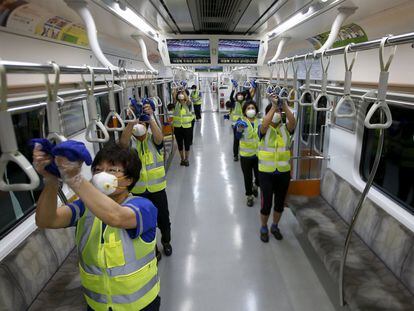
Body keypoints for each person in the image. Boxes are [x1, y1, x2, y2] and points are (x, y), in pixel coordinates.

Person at [33, 142, 161, 311]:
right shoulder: (83, 207)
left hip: (140, 305)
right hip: (96, 306)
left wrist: (74, 179)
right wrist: (50, 180)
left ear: (129, 179)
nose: (102, 175)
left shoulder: (144, 207)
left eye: (112, 170)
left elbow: (117, 216)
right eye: (98, 170)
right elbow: (46, 220)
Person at [120, 103, 172, 258]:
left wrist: (149, 119)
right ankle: (153, 248)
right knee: (145, 221)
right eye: (138, 123)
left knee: (163, 218)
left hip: (157, 189)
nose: (139, 126)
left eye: (142, 124)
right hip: (138, 191)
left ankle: (166, 241)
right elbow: (122, 143)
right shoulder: (130, 144)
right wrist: (132, 122)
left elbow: (160, 137)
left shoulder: (152, 140)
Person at [258, 96, 296, 243]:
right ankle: (263, 227)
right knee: (266, 203)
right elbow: (264, 124)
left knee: (279, 203)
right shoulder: (263, 130)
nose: (276, 114)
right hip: (266, 173)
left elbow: (293, 122)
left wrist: (284, 106)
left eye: (278, 113)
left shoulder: (286, 130)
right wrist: (273, 106)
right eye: (273, 112)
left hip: (283, 172)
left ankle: (274, 226)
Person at [235, 101, 260, 207]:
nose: (251, 110)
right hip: (245, 156)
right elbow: (237, 137)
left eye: (252, 108)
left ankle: (256, 185)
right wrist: (239, 129)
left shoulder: (260, 122)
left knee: (259, 176)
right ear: (245, 111)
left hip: (259, 155)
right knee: (247, 177)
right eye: (248, 108)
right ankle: (249, 196)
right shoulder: (241, 122)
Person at [229, 84, 256, 162]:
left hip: (245, 123)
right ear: (236, 96)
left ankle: (249, 152)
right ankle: (235, 155)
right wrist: (233, 89)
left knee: (246, 138)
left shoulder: (246, 103)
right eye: (238, 95)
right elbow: (231, 98)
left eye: (241, 95)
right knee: (237, 139)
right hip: (237, 125)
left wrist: (248, 89)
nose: (240, 96)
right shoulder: (235, 103)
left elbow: (250, 98)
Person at [172, 89, 194, 166]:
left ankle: (186, 159)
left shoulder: (188, 103)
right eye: (180, 95)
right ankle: (182, 159)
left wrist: (183, 92)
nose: (181, 96)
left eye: (182, 95)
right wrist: (176, 90)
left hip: (187, 126)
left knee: (187, 144)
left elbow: (187, 100)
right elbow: (174, 97)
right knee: (180, 144)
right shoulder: (176, 104)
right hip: (178, 127)